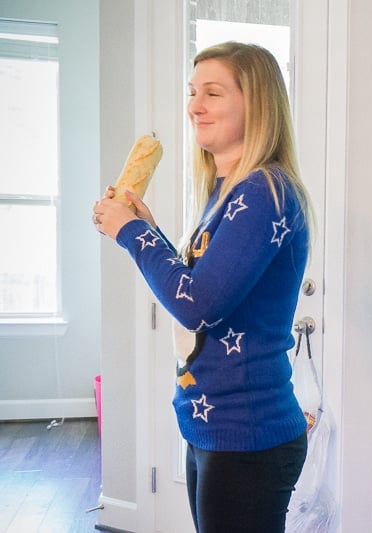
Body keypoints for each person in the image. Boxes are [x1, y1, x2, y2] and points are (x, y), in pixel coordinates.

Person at [92, 42, 313, 533]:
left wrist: (131, 232)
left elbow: (198, 306)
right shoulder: (229, 191)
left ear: (257, 105)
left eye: (213, 93)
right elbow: (204, 286)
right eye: (193, 92)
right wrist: (147, 226)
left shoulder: (264, 191)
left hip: (247, 434)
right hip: (218, 427)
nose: (194, 106)